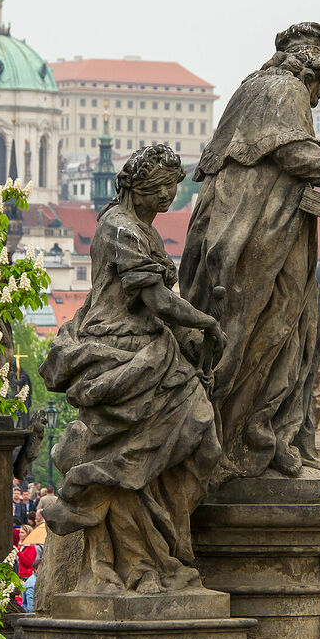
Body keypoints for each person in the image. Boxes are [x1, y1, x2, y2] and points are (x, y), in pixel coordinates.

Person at [40, 144, 224, 591]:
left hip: (154, 348)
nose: (167, 198)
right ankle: (143, 562)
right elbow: (157, 300)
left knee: (201, 443)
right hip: (124, 350)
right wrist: (207, 323)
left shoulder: (143, 229)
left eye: (172, 189)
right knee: (139, 460)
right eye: (160, 188)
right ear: (136, 186)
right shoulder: (120, 228)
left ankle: (167, 546)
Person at [179, 22, 320, 485]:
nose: (319, 93)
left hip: (250, 228)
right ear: (312, 68)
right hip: (259, 235)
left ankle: (257, 432)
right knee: (269, 329)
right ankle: (246, 437)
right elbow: (293, 149)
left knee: (291, 327)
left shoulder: (250, 88)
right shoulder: (284, 88)